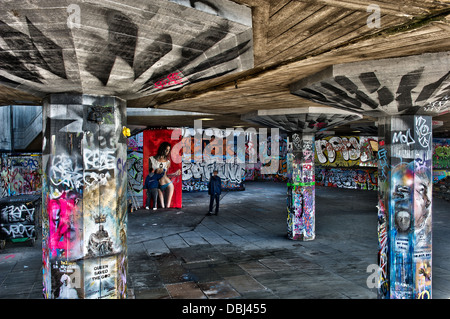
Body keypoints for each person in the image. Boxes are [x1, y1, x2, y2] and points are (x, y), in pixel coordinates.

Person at [149, 142, 181, 208]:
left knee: (167, 206)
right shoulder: (151, 159)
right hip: (157, 185)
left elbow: (165, 175)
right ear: (162, 149)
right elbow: (150, 175)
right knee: (162, 206)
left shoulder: (167, 162)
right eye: (166, 150)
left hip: (168, 184)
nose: (167, 152)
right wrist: (155, 171)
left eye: (168, 150)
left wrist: (174, 174)